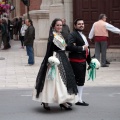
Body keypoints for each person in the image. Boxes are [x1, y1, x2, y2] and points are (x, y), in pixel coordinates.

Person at [32, 18, 78, 111]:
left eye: (61, 25)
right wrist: (49, 62)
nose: (59, 26)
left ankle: (63, 101)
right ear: (54, 26)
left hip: (63, 58)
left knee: (63, 80)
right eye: (57, 25)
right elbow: (49, 50)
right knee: (53, 80)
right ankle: (46, 100)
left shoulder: (59, 35)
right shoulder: (52, 37)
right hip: (55, 59)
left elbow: (65, 47)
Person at [67, 18, 91, 106]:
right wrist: (81, 48)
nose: (81, 25)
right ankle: (74, 99)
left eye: (82, 24)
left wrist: (90, 62)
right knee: (76, 80)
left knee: (81, 81)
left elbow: (87, 49)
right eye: (79, 24)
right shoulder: (72, 35)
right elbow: (69, 47)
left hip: (83, 61)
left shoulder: (83, 35)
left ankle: (79, 99)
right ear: (75, 25)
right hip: (76, 61)